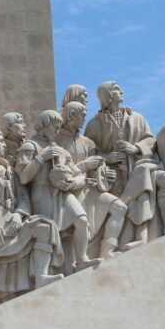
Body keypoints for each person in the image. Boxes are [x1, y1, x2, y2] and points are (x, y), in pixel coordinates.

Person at [84, 81, 165, 245]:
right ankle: (138, 238)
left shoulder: (137, 118)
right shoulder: (94, 124)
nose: (120, 90)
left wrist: (135, 148)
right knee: (142, 187)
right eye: (115, 89)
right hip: (114, 177)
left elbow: (149, 140)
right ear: (107, 95)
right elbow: (89, 153)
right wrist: (107, 158)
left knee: (164, 178)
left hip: (139, 166)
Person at [0, 130, 63, 299]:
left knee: (45, 227)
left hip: (12, 224)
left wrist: (19, 214)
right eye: (1, 141)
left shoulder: (10, 172)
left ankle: (41, 277)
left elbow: (23, 197)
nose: (5, 144)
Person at [17, 111, 101, 272]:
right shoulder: (30, 146)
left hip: (62, 193)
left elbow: (77, 173)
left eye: (58, 128)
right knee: (50, 231)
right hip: (41, 193)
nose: (57, 132)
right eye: (54, 127)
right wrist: (41, 157)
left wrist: (72, 183)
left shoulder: (59, 149)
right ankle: (44, 272)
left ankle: (82, 259)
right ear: (44, 125)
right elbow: (23, 177)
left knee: (82, 220)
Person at [55, 101, 128, 259]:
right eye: (82, 116)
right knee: (80, 223)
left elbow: (96, 171)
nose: (84, 119)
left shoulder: (88, 143)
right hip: (68, 192)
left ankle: (107, 250)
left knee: (119, 208)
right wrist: (84, 165)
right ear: (72, 115)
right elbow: (58, 173)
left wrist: (106, 175)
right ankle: (80, 258)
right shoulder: (56, 140)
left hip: (88, 188)